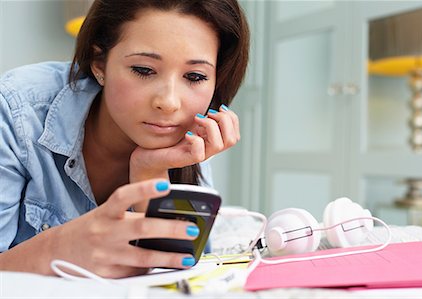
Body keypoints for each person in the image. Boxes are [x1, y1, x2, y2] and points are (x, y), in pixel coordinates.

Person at [0, 0, 249, 278]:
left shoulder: (186, 138)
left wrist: (151, 170)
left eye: (194, 76)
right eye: (144, 70)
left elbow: (180, 277)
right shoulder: (16, 110)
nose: (168, 102)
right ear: (99, 63)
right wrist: (55, 248)